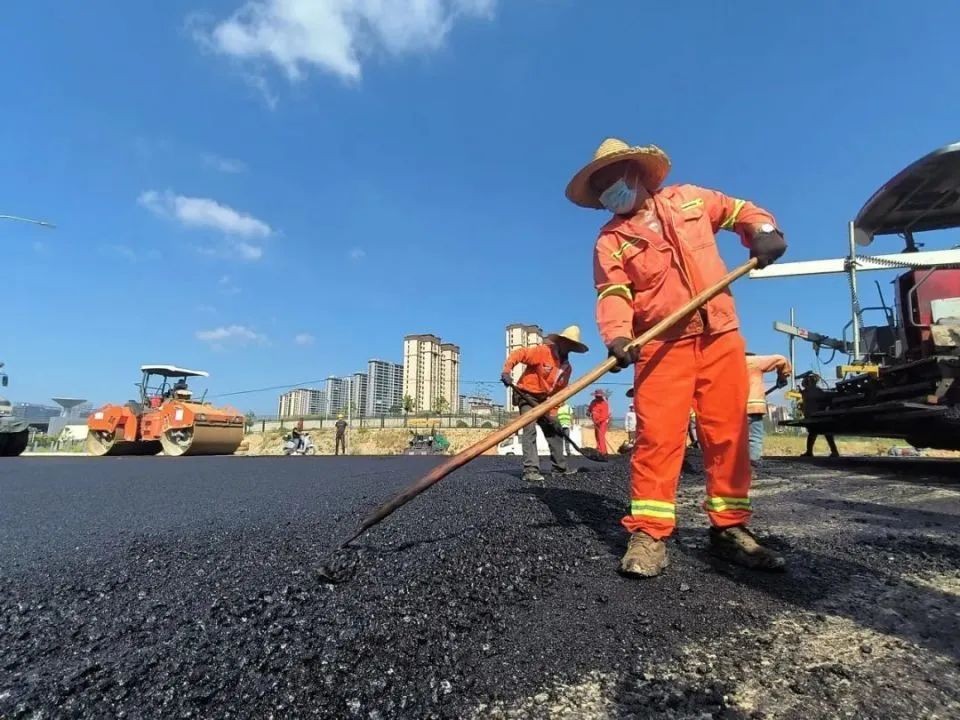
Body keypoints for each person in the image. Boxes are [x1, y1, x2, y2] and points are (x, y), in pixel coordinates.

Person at [567, 136, 788, 577]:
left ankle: (729, 529)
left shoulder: (690, 200)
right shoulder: (610, 240)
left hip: (720, 334)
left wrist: (763, 232)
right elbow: (613, 293)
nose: (612, 189)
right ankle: (649, 533)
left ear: (637, 174)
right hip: (661, 344)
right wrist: (617, 335)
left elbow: (740, 211)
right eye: (603, 185)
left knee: (727, 436)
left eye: (616, 178)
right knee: (658, 439)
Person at [501, 326, 589, 483]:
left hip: (544, 400)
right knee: (529, 429)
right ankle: (531, 470)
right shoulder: (543, 352)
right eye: (567, 342)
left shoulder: (567, 368)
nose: (568, 347)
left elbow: (559, 394)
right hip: (526, 394)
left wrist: (552, 413)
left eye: (572, 345)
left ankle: (559, 468)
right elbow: (519, 354)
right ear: (560, 341)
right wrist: (507, 371)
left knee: (554, 430)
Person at [745, 353, 792, 468]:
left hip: (733, 408)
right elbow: (781, 359)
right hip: (753, 406)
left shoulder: (727, 363)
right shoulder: (754, 361)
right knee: (755, 436)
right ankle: (753, 461)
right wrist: (783, 376)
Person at [799, 373, 840, 458]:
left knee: (813, 434)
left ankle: (810, 452)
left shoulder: (809, 391)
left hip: (815, 416)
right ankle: (834, 451)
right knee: (823, 434)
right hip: (817, 415)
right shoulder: (816, 391)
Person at [588, 390, 611, 454]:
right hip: (596, 422)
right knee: (597, 436)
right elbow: (590, 409)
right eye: (596, 396)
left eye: (599, 396)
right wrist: (588, 412)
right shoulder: (593, 402)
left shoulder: (604, 404)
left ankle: (603, 452)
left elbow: (604, 416)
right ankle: (598, 449)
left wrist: (597, 421)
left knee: (601, 436)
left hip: (602, 422)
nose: (597, 397)